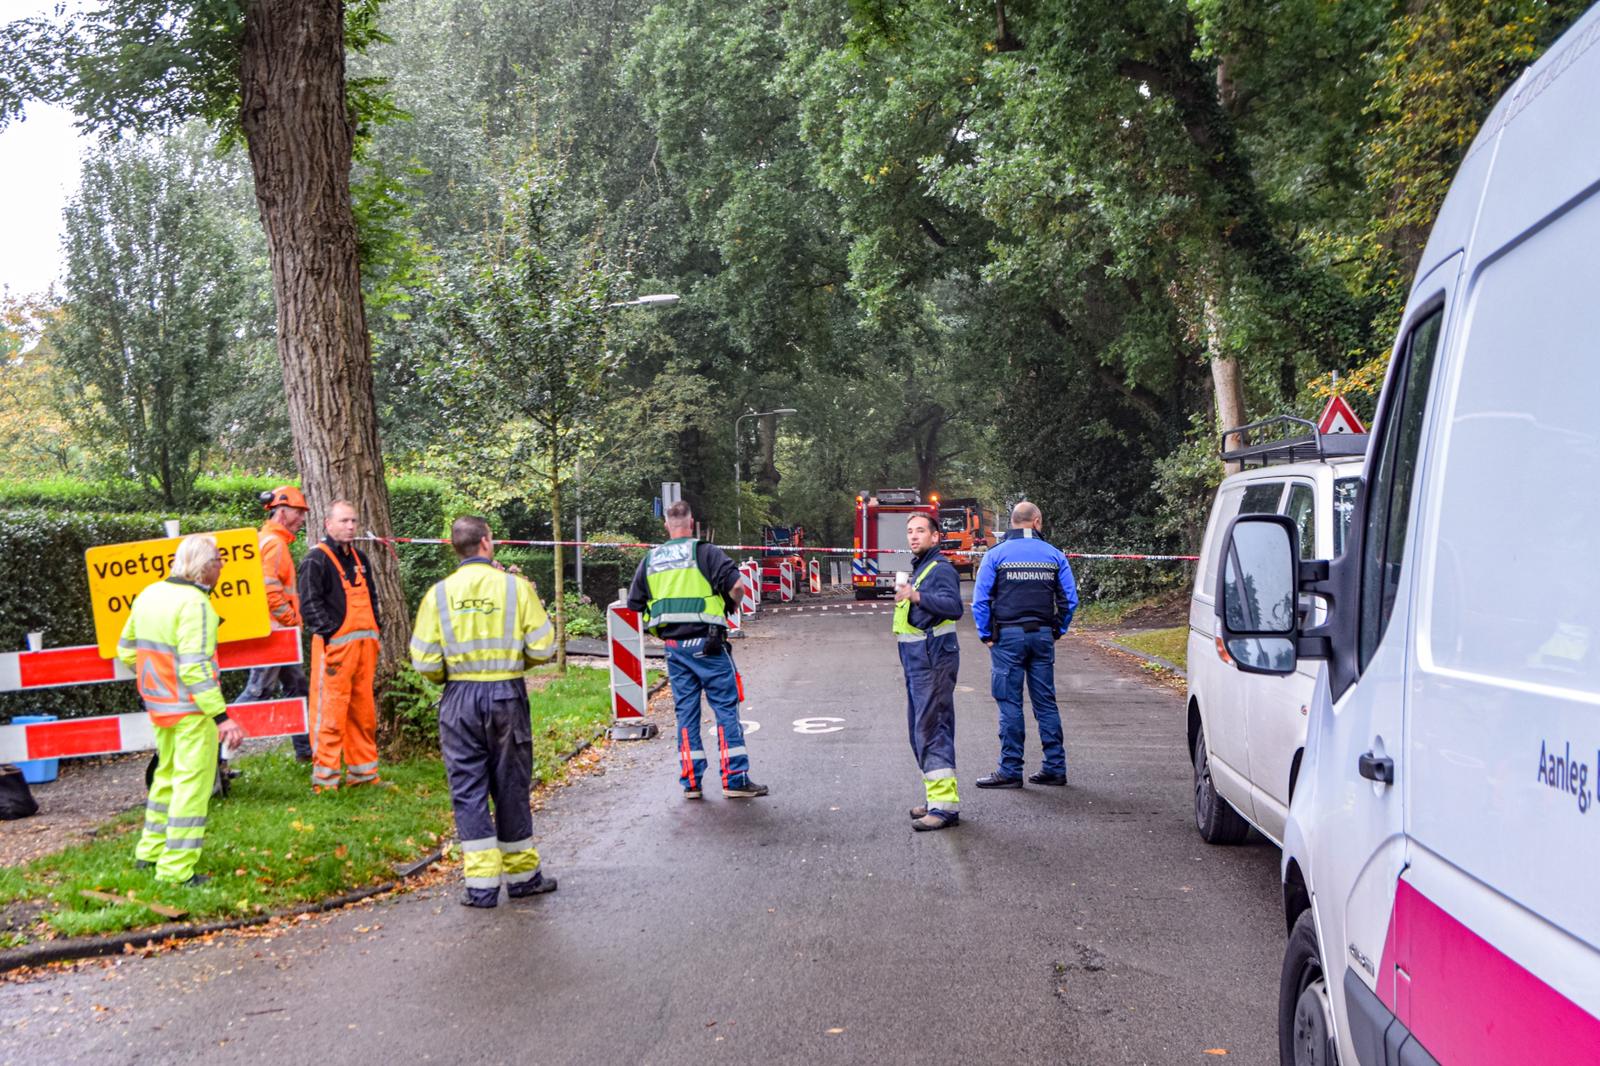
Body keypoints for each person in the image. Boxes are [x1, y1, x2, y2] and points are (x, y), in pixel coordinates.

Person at [411, 516, 559, 908]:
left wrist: (451, 675)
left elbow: (424, 660)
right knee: (511, 785)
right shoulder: (515, 588)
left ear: (455, 548)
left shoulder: (438, 595)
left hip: (459, 698)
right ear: (486, 543)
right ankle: (523, 878)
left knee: (467, 788)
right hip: (506, 695)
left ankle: (481, 888)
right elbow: (544, 647)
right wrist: (513, 664)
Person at [117, 534, 247, 886]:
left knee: (166, 777)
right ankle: (176, 869)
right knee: (192, 786)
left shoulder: (150, 594)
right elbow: (194, 668)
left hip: (160, 706)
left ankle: (150, 852)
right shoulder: (196, 604)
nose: (222, 566)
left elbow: (126, 650)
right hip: (191, 710)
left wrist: (159, 681)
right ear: (205, 568)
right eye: (219, 560)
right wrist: (221, 717)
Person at [626, 500, 766, 800]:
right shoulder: (706, 552)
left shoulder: (652, 559)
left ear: (666, 525)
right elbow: (737, 587)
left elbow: (634, 603)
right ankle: (735, 779)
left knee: (686, 714)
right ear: (692, 523)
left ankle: (691, 782)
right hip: (709, 644)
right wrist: (729, 607)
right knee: (725, 709)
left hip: (675, 649)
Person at [971, 501, 1079, 788]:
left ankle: (1010, 770)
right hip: (1042, 636)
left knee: (1010, 703)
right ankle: (1055, 767)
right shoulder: (1054, 555)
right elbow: (1070, 600)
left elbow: (980, 600)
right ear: (1037, 521)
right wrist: (1057, 629)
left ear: (1012, 522)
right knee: (1046, 703)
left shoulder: (996, 555)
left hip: (1007, 637)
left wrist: (986, 634)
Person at [298, 499, 383, 792]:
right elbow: (309, 605)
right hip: (334, 650)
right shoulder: (316, 560)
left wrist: (376, 630)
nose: (350, 526)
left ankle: (364, 775)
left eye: (353, 521)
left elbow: (372, 597)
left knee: (363, 713)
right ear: (328, 524)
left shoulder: (360, 558)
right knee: (330, 715)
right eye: (344, 521)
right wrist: (331, 634)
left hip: (364, 649)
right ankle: (325, 781)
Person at [896, 512, 964, 831]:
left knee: (933, 728)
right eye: (910, 531)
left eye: (920, 531)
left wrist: (916, 595)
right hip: (919, 662)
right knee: (920, 730)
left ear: (935, 537)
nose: (913, 536)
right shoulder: (922, 568)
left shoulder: (941, 569)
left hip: (933, 660)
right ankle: (934, 797)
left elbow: (954, 607)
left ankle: (944, 807)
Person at [236, 485, 313, 761]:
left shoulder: (265, 540)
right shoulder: (274, 544)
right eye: (297, 512)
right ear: (281, 512)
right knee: (258, 692)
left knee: (297, 688)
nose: (302, 518)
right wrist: (290, 620)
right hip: (274, 633)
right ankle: (214, 746)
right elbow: (269, 591)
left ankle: (306, 752)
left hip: (277, 633)